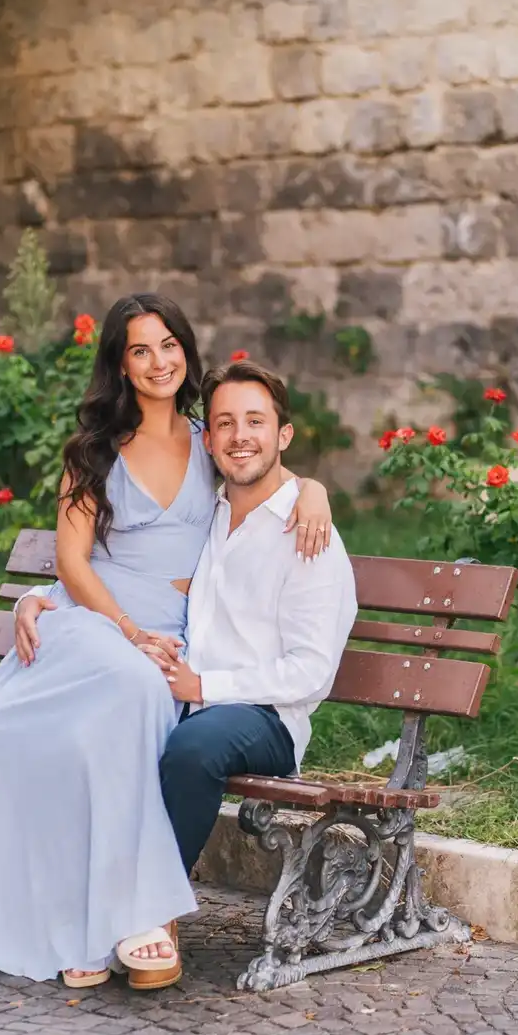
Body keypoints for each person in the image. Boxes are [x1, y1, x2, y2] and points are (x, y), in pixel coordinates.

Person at [0, 293, 333, 993]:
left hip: (178, 641)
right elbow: (71, 561)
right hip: (104, 621)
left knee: (119, 723)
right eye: (140, 349)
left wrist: (315, 489)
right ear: (120, 366)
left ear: (187, 351)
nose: (158, 361)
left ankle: (106, 921)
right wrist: (108, 624)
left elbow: (264, 464)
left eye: (169, 345)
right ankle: (64, 916)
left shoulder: (209, 440)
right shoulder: (94, 451)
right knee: (1, 727)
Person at [153, 360, 358, 876]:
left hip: (265, 717)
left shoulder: (308, 535)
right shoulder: (205, 513)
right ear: (208, 440)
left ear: (283, 434)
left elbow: (311, 671)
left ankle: (150, 913)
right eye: (224, 423)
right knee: (104, 724)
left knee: (193, 747)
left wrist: (203, 685)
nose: (239, 436)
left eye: (255, 421)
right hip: (188, 700)